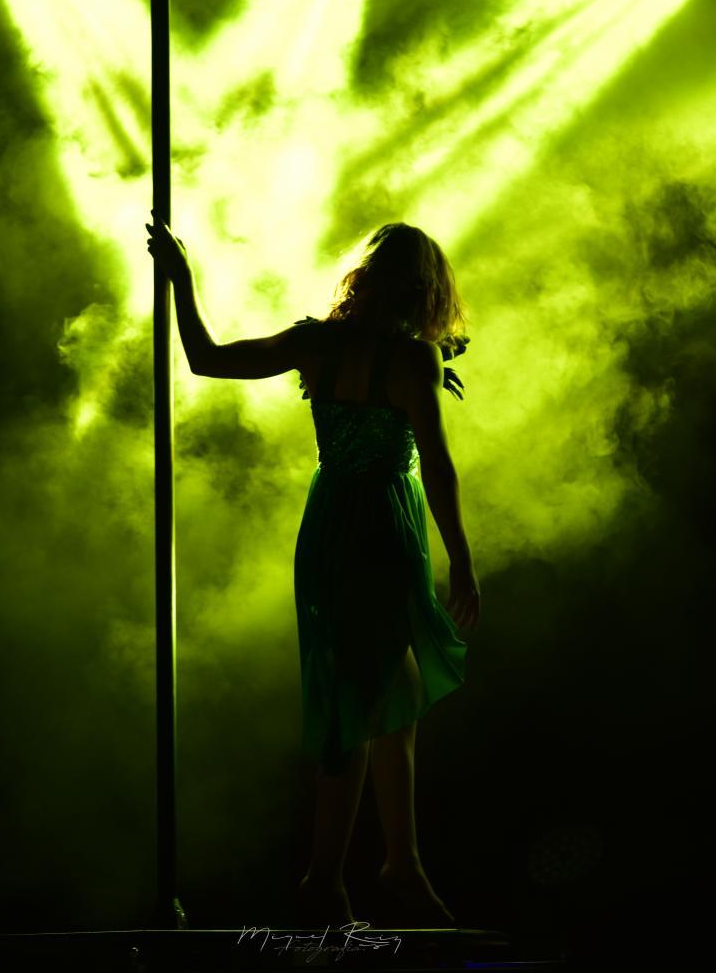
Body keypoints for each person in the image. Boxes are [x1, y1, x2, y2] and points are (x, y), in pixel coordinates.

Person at [146, 215, 481, 928]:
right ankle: (350, 873)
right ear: (426, 289)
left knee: (384, 690)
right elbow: (438, 466)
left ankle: (376, 868)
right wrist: (462, 560)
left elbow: (206, 358)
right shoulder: (412, 360)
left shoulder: (319, 345)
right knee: (369, 696)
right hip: (382, 525)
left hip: (330, 521)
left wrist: (182, 280)